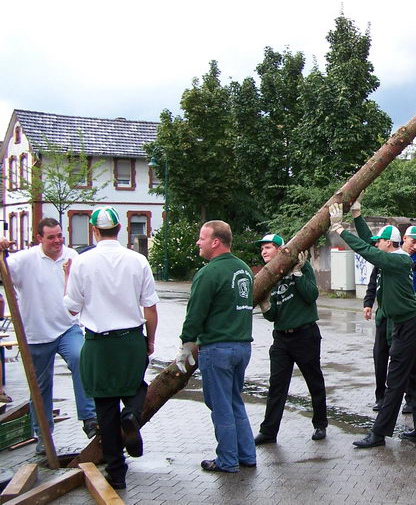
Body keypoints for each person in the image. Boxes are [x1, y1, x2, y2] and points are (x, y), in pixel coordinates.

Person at [63, 207, 158, 489]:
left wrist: (67, 277)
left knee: (104, 406)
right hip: (130, 338)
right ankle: (130, 414)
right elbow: (150, 307)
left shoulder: (82, 261)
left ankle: (117, 472)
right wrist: (149, 341)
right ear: (121, 229)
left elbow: (71, 309)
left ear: (94, 230)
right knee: (137, 387)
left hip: (98, 342)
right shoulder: (138, 260)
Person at [329, 202, 416, 448]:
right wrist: (357, 216)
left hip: (407, 325)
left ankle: (379, 434)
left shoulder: (398, 260)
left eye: (380, 242)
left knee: (395, 381)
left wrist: (340, 229)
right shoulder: (390, 256)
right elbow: (368, 243)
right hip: (406, 323)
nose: (376, 244)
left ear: (388, 243)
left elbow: (367, 250)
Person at [1, 218, 97, 452]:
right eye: (51, 237)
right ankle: (43, 435)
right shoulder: (23, 260)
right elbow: (2, 273)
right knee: (40, 386)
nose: (57, 241)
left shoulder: (72, 256)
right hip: (35, 333)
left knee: (80, 359)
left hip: (67, 327)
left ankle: (89, 419)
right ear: (39, 238)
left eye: (59, 236)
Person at [175, 220, 257, 472]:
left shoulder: (209, 272)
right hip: (242, 347)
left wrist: (187, 343)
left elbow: (196, 312)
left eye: (202, 238)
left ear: (216, 242)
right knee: (234, 401)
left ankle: (228, 460)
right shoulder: (243, 269)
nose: (198, 242)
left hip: (217, 348)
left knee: (220, 405)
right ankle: (247, 455)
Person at [253, 233, 328, 444]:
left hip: (305, 335)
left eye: (268, 247)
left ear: (280, 249)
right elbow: (273, 316)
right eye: (262, 249)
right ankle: (268, 431)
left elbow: (311, 295)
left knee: (314, 381)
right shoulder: (269, 277)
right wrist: (265, 304)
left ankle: (320, 424)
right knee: (277, 385)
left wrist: (297, 274)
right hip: (281, 340)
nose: (264, 252)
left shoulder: (301, 266)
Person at [364, 224, 416, 413]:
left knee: (407, 360)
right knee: (380, 355)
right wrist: (368, 303)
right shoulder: (385, 257)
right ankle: (381, 396)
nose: (415, 246)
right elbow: (374, 281)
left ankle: (409, 399)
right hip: (385, 315)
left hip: (407, 317)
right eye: (413, 242)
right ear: (404, 239)